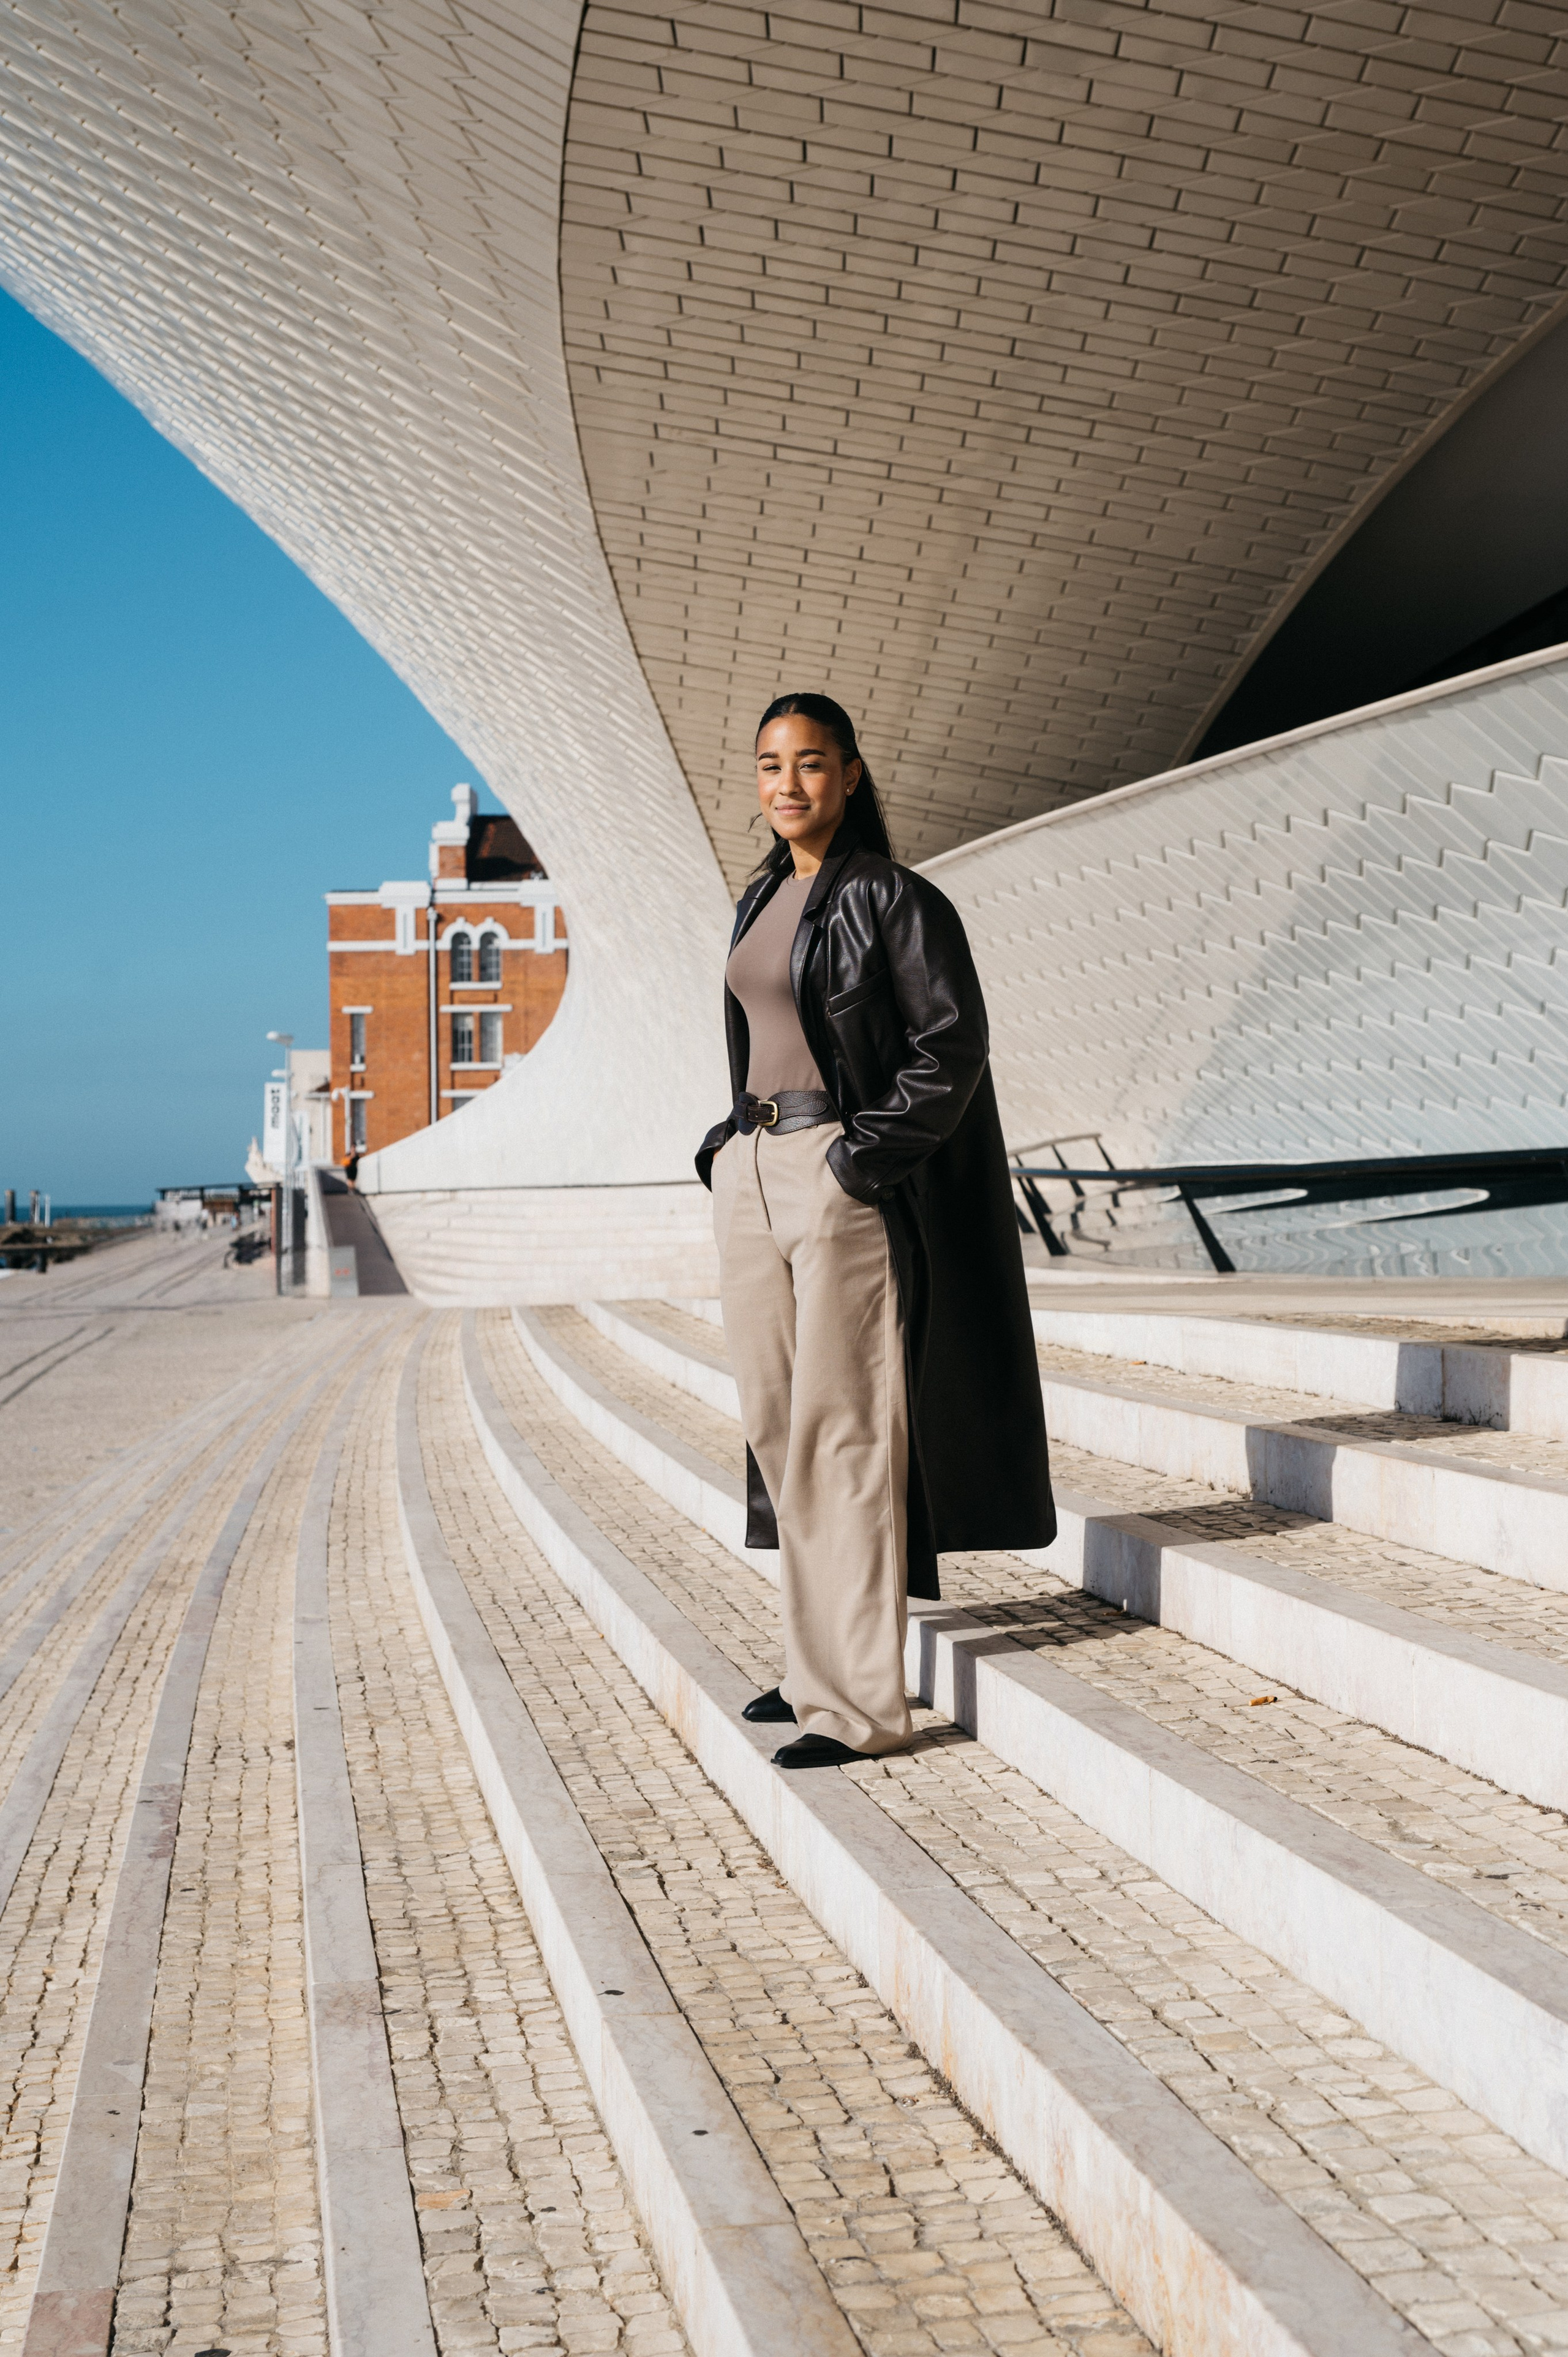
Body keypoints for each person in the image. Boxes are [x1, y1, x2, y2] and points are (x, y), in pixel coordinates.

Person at [696, 692, 1054, 1769]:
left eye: (810, 764)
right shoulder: (762, 896)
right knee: (774, 1425)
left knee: (841, 1432)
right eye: (769, 766)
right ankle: (816, 1664)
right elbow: (760, 1036)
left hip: (836, 1174)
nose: (787, 785)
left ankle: (855, 1705)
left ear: (851, 775)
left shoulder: (894, 898)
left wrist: (861, 1160)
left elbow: (951, 1046)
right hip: (751, 1173)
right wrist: (724, 1143)